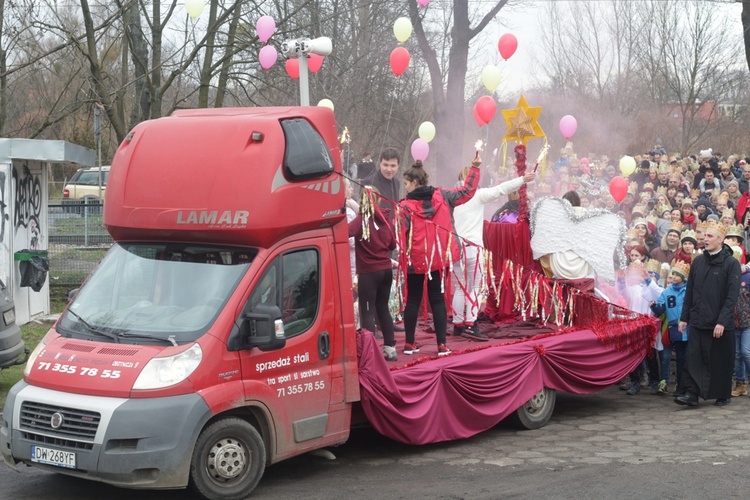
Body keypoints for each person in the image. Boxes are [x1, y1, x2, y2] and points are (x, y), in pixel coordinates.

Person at [399, 158, 480, 357]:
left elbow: (400, 233)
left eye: (406, 184)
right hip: (437, 257)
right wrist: (475, 169)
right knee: (437, 298)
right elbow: (467, 191)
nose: (405, 188)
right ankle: (442, 345)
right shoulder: (443, 195)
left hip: (416, 260)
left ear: (414, 183)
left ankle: (409, 344)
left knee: (413, 299)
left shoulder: (405, 206)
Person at [452, 167, 535, 341]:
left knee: (460, 287)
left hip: (455, 248)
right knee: (474, 287)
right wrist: (522, 180)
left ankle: (458, 324)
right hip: (473, 248)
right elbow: (501, 189)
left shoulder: (451, 196)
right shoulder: (478, 194)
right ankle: (470, 324)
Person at [675, 220, 742, 407]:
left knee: (720, 360)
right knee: (694, 358)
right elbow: (690, 291)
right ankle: (691, 394)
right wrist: (684, 317)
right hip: (698, 319)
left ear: (720, 240)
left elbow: (732, 296)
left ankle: (722, 394)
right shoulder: (698, 261)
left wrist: (722, 321)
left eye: (710, 236)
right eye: (704, 236)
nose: (705, 239)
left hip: (719, 323)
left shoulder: (731, 264)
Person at [349, 187, 398, 361]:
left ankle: (369, 352)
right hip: (385, 271)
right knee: (382, 308)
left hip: (369, 272)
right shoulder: (385, 220)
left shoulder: (361, 220)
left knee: (367, 311)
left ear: (362, 200)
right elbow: (392, 245)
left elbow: (345, 231)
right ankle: (390, 348)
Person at [650, 261, 690, 395]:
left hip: (686, 328)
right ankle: (672, 383)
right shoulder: (667, 292)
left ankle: (684, 384)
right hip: (672, 328)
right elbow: (661, 309)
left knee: (685, 357)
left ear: (683, 277)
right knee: (673, 357)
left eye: (676, 274)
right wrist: (654, 306)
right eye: (672, 274)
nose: (673, 276)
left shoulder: (689, 290)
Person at [732, 261, 750, 397]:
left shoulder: (747, 277)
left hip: (748, 323)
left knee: (746, 352)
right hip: (733, 324)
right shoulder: (728, 278)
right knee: (737, 354)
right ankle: (740, 384)